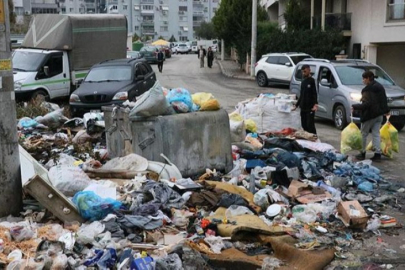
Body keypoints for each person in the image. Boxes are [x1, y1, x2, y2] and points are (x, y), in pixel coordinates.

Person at [352, 71, 390, 161]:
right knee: (376, 134)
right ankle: (377, 154)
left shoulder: (367, 90)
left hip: (369, 115)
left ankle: (362, 153)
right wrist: (386, 111)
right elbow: (384, 100)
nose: (363, 81)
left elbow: (367, 104)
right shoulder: (380, 87)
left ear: (368, 78)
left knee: (363, 134)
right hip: (379, 115)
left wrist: (355, 106)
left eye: (364, 79)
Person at [292, 65, 318, 135]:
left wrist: (315, 104)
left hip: (310, 108)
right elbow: (301, 95)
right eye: (302, 72)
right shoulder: (303, 81)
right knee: (304, 125)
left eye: (305, 71)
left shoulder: (311, 81)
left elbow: (314, 93)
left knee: (310, 125)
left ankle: (314, 138)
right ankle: (307, 138)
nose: (303, 73)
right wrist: (296, 105)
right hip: (303, 107)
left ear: (309, 71)